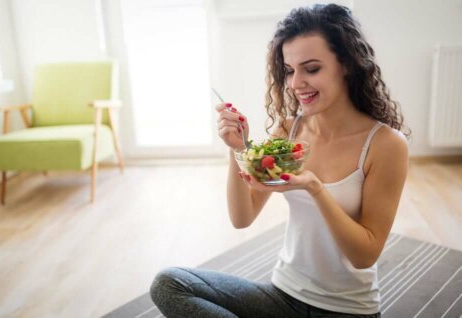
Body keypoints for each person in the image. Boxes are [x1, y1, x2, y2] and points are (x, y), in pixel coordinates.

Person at [150, 3, 410, 317]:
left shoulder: (385, 144)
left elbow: (364, 255)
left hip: (346, 310)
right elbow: (242, 217)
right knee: (169, 284)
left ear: (346, 65)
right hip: (283, 296)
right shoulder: (288, 128)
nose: (295, 82)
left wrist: (316, 188)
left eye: (311, 68)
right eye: (289, 70)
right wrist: (238, 149)